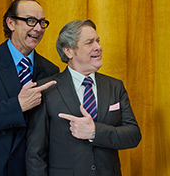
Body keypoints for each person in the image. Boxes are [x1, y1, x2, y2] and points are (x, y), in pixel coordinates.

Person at [26, 19, 141, 176]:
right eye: (89, 42)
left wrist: (95, 132)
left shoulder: (115, 86)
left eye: (98, 41)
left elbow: (133, 135)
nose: (98, 47)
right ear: (69, 51)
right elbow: (35, 154)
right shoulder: (47, 89)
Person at [0, 0, 59, 176]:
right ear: (11, 23)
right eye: (30, 21)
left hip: (32, 170)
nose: (38, 28)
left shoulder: (51, 70)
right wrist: (17, 106)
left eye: (42, 22)